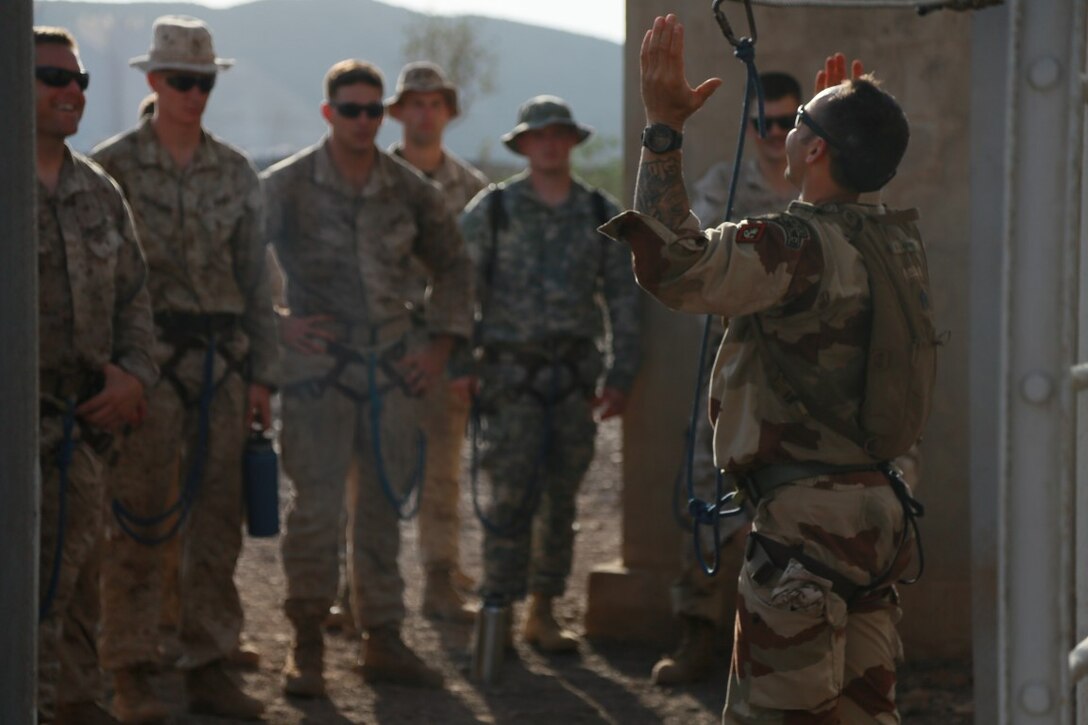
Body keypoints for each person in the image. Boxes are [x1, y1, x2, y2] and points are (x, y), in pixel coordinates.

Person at [603, 14, 925, 722]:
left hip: (808, 530)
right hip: (879, 517)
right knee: (861, 712)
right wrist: (835, 137)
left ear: (812, 150)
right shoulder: (896, 243)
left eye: (799, 125)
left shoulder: (793, 242)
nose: (785, 133)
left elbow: (675, 266)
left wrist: (662, 129)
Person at [264, 59, 474, 695]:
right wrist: (278, 325)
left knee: (383, 512)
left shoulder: (413, 190)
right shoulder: (289, 184)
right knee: (316, 514)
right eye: (350, 109)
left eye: (372, 111)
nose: (363, 121)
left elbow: (456, 268)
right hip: (317, 378)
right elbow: (240, 261)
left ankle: (382, 637)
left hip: (392, 372)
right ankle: (306, 646)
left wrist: (437, 350)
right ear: (329, 113)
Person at [92, 15, 279, 721]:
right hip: (147, 365)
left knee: (218, 523)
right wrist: (112, 369)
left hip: (224, 369)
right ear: (153, 81)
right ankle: (133, 667)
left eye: (204, 81)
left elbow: (256, 281)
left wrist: (264, 375)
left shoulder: (235, 171)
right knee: (138, 520)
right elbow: (101, 281)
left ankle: (209, 661)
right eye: (181, 81)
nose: (194, 93)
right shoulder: (111, 168)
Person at [460, 95, 641, 652]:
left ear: (572, 141)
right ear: (523, 144)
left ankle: (543, 610)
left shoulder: (598, 213)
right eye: (539, 135)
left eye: (559, 133)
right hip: (510, 381)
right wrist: (460, 368)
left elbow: (622, 298)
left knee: (561, 498)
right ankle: (498, 613)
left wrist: (621, 372)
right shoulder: (492, 210)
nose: (549, 143)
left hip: (571, 381)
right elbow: (458, 294)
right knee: (510, 496)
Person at [652, 71, 802, 687]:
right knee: (709, 502)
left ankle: (780, 651)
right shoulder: (724, 185)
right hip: (732, 377)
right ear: (747, 127)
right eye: (760, 123)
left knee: (797, 513)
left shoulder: (817, 192)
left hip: (804, 387)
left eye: (785, 123)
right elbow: (685, 251)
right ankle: (699, 635)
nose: (771, 136)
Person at [32, 26, 158, 724]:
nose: (71, 90)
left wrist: (134, 375)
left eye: (79, 78)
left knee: (79, 582)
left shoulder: (99, 191)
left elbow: (135, 296)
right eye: (53, 76)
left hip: (82, 433)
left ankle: (74, 706)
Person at [386, 60, 489, 624]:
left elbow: (478, 284)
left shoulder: (472, 190)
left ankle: (439, 580)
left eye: (434, 103)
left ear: (448, 112)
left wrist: (467, 359)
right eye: (414, 103)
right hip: (383, 351)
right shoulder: (374, 179)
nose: (424, 113)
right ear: (398, 113)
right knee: (370, 473)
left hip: (446, 350)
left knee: (443, 474)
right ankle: (359, 591)